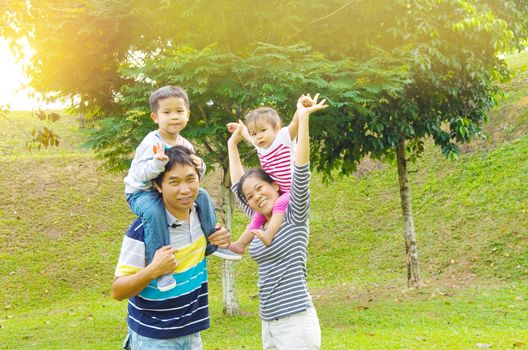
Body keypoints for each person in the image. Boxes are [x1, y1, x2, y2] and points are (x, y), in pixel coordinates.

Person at [228, 94, 328, 349]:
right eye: (251, 196)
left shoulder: (294, 212)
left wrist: (303, 120)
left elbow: (301, 168)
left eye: (260, 189)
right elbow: (238, 186)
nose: (256, 196)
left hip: (295, 321)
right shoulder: (259, 220)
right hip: (268, 320)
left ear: (274, 185)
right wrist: (233, 145)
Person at [112, 146, 232, 349]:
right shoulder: (142, 231)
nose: (185, 189)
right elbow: (118, 291)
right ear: (158, 186)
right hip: (154, 338)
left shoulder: (201, 219)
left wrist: (220, 239)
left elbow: (196, 254)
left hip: (192, 332)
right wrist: (153, 270)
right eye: (174, 182)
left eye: (190, 179)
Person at [123, 86, 240, 291]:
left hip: (168, 189)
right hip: (141, 192)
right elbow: (141, 175)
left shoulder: (184, 143)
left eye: (179, 111)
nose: (174, 117)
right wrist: (157, 164)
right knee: (153, 211)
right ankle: (161, 266)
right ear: (155, 117)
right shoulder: (151, 142)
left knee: (202, 195)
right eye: (166, 112)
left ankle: (214, 243)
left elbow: (193, 176)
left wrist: (200, 165)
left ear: (188, 114)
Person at [227, 95, 316, 253]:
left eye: (263, 130)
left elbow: (295, 124)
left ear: (276, 128)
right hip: (279, 191)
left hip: (292, 191)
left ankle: (268, 235)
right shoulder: (261, 146)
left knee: (280, 204)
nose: (258, 136)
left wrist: (300, 109)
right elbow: (249, 136)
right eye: (255, 133)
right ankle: (240, 244)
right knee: (257, 216)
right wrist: (239, 133)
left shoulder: (283, 137)